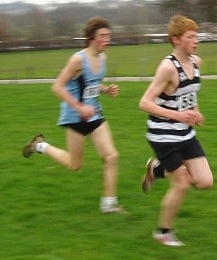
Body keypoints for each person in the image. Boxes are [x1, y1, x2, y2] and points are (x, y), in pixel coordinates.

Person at [23, 16, 125, 214]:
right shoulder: (78, 59)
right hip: (74, 116)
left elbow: (91, 84)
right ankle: (40, 145)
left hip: (94, 114)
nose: (107, 40)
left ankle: (109, 204)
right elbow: (57, 87)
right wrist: (79, 108)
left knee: (112, 157)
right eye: (102, 36)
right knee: (74, 164)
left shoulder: (102, 58)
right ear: (90, 38)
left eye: (108, 35)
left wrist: (105, 90)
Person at [139, 15, 213, 246]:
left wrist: (195, 112)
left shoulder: (196, 62)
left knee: (204, 181)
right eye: (191, 37)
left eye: (196, 36)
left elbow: (189, 94)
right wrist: (179, 115)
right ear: (176, 40)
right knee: (181, 183)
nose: (196, 41)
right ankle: (163, 232)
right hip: (162, 133)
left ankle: (157, 169)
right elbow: (144, 103)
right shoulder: (167, 67)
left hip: (184, 132)